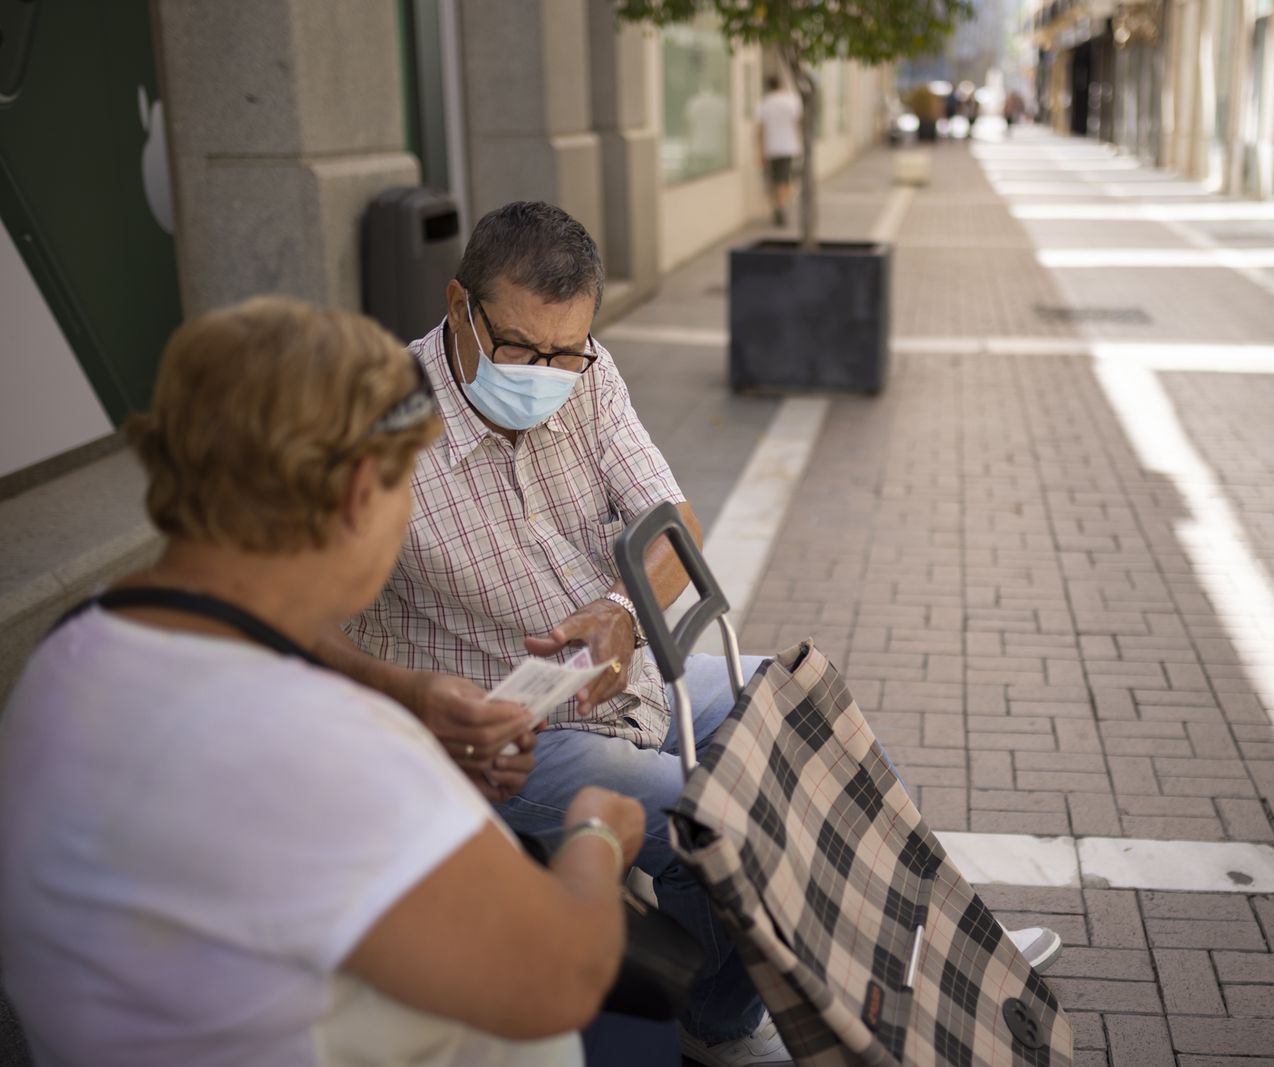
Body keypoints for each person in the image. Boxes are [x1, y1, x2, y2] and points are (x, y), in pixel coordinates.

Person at [317, 202, 1065, 1066]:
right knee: (712, 820)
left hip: (623, 676)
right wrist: (418, 700)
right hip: (501, 731)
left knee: (806, 714)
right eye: (521, 347)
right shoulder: (375, 427)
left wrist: (625, 613)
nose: (545, 374)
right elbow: (296, 620)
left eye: (567, 350)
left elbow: (672, 518)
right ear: (459, 307)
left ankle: (928, 953)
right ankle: (717, 1020)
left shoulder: (588, 375)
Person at [0, 297, 644, 1065]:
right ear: (358, 493)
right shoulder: (311, 745)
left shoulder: (72, 652)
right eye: (407, 480)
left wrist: (410, 718)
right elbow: (561, 977)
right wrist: (600, 830)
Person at [756, 75, 801, 227]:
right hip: (788, 147)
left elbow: (759, 129)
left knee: (774, 180)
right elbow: (797, 124)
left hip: (771, 148)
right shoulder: (791, 101)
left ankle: (778, 207)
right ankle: (781, 206)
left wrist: (759, 150)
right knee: (784, 179)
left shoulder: (765, 103)